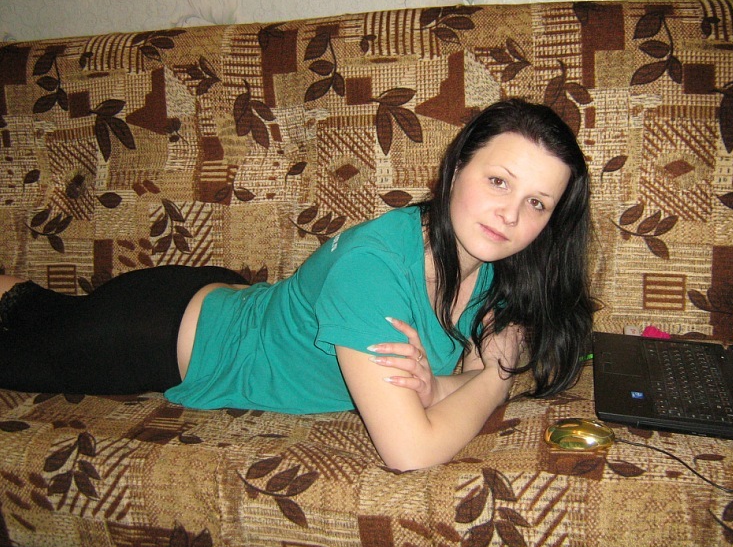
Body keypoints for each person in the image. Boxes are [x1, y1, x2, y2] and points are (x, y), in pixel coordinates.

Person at [0, 98, 593, 471]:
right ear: (458, 167)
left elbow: (462, 381)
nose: (510, 215)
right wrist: (492, 377)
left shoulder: (491, 264)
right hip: (165, 336)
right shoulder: (375, 267)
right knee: (21, 319)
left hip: (238, 302)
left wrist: (445, 384)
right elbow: (410, 450)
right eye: (498, 181)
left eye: (537, 202)